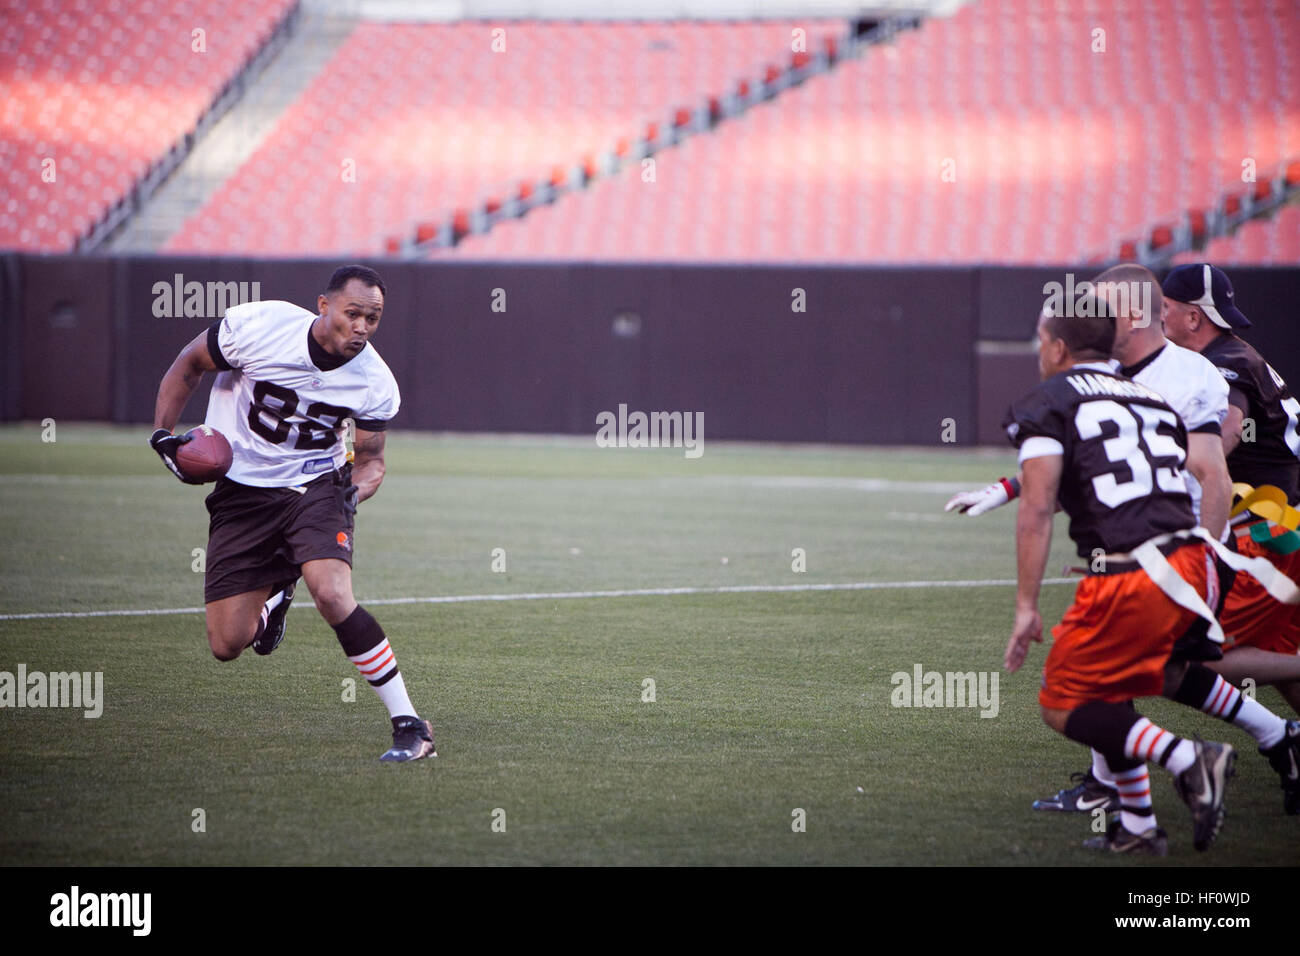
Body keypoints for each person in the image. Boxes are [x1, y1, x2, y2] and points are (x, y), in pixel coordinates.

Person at [948, 266, 1300, 816]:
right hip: (1144, 544)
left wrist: (1207, 563)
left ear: (1135, 312)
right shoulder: (1111, 374)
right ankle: (1266, 743)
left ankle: (1158, 778)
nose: (1090, 314)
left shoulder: (1194, 374)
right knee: (1155, 668)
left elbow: (1212, 472)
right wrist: (1010, 488)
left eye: (1102, 304)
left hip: (1206, 541)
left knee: (1112, 672)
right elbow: (1093, 460)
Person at [149, 264, 435, 763]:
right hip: (242, 488)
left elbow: (370, 461)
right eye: (354, 314)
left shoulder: (373, 381)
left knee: (331, 591)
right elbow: (188, 364)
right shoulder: (260, 328)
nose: (363, 327)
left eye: (374, 317)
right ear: (324, 307)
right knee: (227, 643)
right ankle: (277, 595)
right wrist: (162, 436)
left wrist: (353, 495)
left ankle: (410, 725)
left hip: (315, 486)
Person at [1003, 291, 1236, 854]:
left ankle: (1191, 758)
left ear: (1058, 347)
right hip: (1191, 561)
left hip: (1133, 573)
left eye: (1041, 341)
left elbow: (1038, 509)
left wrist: (1026, 605)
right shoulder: (1151, 397)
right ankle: (1137, 824)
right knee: (1110, 689)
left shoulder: (1047, 403)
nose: (1038, 351)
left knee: (1064, 703)